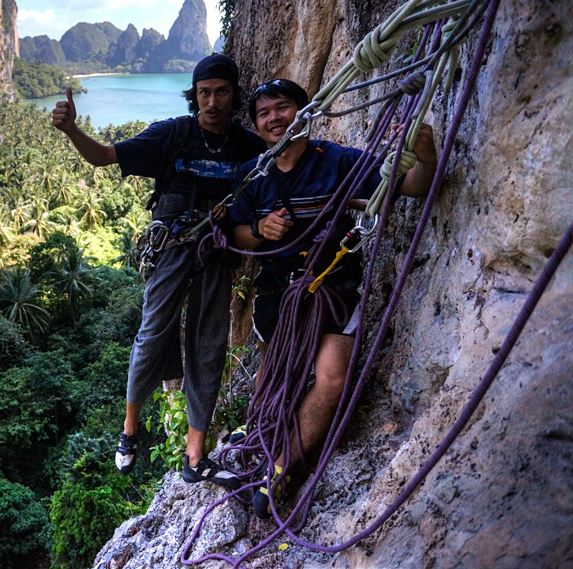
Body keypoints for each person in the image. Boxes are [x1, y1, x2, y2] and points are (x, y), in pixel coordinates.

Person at [51, 53, 265, 488]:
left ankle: (195, 456)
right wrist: (72, 129)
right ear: (195, 95)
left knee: (209, 345)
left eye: (221, 92)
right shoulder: (173, 134)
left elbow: (280, 173)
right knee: (154, 332)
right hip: (172, 246)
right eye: (204, 92)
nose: (212, 101)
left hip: (217, 250)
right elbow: (103, 156)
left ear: (233, 95)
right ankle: (129, 430)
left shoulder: (249, 147)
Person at [228, 78, 438, 517]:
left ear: (303, 113)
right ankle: (263, 439)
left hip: (334, 286)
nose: (274, 119)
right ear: (257, 126)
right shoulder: (252, 175)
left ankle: (281, 468)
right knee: (277, 375)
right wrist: (261, 229)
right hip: (279, 294)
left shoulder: (338, 162)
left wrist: (425, 152)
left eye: (282, 108)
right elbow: (236, 231)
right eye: (264, 114)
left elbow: (412, 186)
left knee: (333, 377)